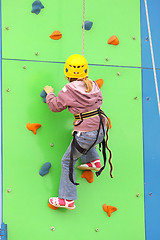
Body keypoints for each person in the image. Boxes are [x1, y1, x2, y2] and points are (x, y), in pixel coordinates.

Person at [44, 54, 110, 210]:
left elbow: (55, 107)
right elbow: (99, 101)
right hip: (102, 128)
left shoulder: (68, 89)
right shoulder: (93, 85)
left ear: (67, 72)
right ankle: (93, 160)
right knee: (83, 138)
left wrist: (49, 93)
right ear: (86, 71)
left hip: (87, 133)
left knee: (68, 161)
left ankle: (67, 199)